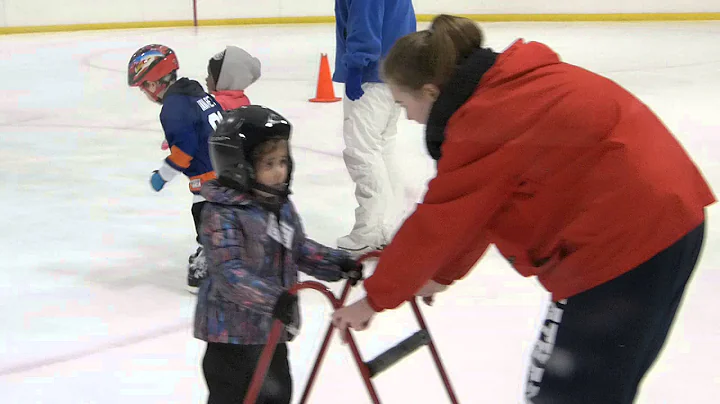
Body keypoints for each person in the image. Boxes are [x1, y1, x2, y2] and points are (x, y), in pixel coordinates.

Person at [331, 14, 715, 404]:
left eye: (403, 104)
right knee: (601, 388)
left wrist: (373, 299)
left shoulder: (484, 120)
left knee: (563, 392)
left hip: (621, 245)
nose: (409, 118)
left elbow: (440, 219)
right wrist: (442, 274)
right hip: (673, 221)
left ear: (431, 92)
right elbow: (485, 206)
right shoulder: (510, 84)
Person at [194, 105, 362, 404]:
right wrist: (276, 299)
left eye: (283, 161)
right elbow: (229, 274)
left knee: (277, 396)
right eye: (268, 163)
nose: (279, 171)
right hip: (231, 338)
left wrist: (338, 263)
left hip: (270, 331)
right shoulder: (221, 213)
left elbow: (297, 248)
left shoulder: (278, 204)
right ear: (239, 166)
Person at [127, 44, 224, 292]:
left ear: (154, 83)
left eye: (143, 87)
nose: (145, 93)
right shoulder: (197, 94)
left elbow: (184, 153)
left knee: (207, 223)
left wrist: (162, 175)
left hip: (211, 181)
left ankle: (211, 266)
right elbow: (204, 126)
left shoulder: (173, 107)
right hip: (230, 169)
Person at [332, 0, 417, 256]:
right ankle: (390, 225)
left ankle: (369, 230)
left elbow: (364, 21)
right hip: (394, 72)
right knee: (383, 148)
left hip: (372, 74)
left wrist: (357, 65)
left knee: (363, 151)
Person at [206, 45, 261, 110]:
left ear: (223, 80)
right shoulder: (243, 99)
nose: (206, 79)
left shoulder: (218, 104)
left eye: (210, 75)